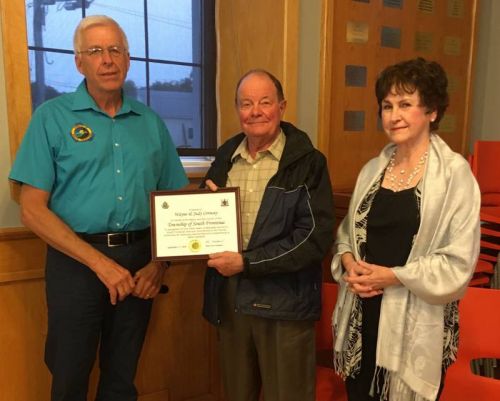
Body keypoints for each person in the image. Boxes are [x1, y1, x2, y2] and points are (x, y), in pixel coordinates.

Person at [8, 15, 188, 401]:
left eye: (115, 50)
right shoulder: (51, 119)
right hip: (74, 262)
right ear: (79, 63)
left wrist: (159, 265)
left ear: (127, 59)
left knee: (122, 378)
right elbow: (32, 209)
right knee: (69, 374)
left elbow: (178, 206)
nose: (107, 60)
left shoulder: (151, 123)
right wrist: (100, 264)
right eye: (95, 51)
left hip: (140, 263)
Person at [331, 57, 481, 401]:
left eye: (405, 104)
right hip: (364, 313)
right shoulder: (372, 169)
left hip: (417, 322)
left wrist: (394, 276)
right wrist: (350, 260)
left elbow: (459, 263)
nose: (393, 115)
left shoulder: (454, 175)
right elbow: (346, 235)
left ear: (432, 111)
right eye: (387, 105)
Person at [202, 69, 335, 401]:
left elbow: (313, 238)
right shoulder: (224, 158)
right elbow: (207, 220)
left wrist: (247, 263)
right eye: (246, 103)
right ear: (237, 110)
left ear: (282, 106)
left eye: (265, 102)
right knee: (237, 394)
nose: (255, 111)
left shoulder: (308, 162)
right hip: (230, 298)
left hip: (285, 303)